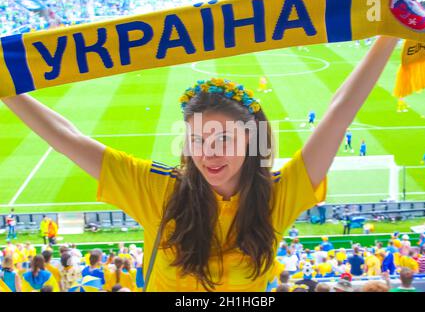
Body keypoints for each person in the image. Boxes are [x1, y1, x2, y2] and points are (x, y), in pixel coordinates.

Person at [0, 36, 399, 291]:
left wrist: (388, 34)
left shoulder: (282, 191)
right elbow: (67, 137)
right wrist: (5, 85)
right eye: (196, 140)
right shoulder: (156, 189)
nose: (208, 153)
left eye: (223, 138)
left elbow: (339, 112)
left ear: (252, 138)